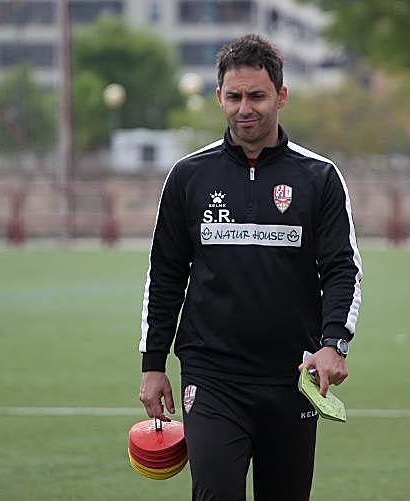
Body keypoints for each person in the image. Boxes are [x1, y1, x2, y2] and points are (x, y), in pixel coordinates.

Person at [138, 33, 363, 501]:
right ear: (218, 97)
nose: (245, 109)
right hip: (211, 376)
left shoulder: (319, 176)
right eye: (234, 96)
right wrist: (153, 364)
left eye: (257, 96)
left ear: (281, 96)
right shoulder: (188, 176)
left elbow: (342, 268)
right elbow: (165, 276)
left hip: (293, 377)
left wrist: (333, 343)